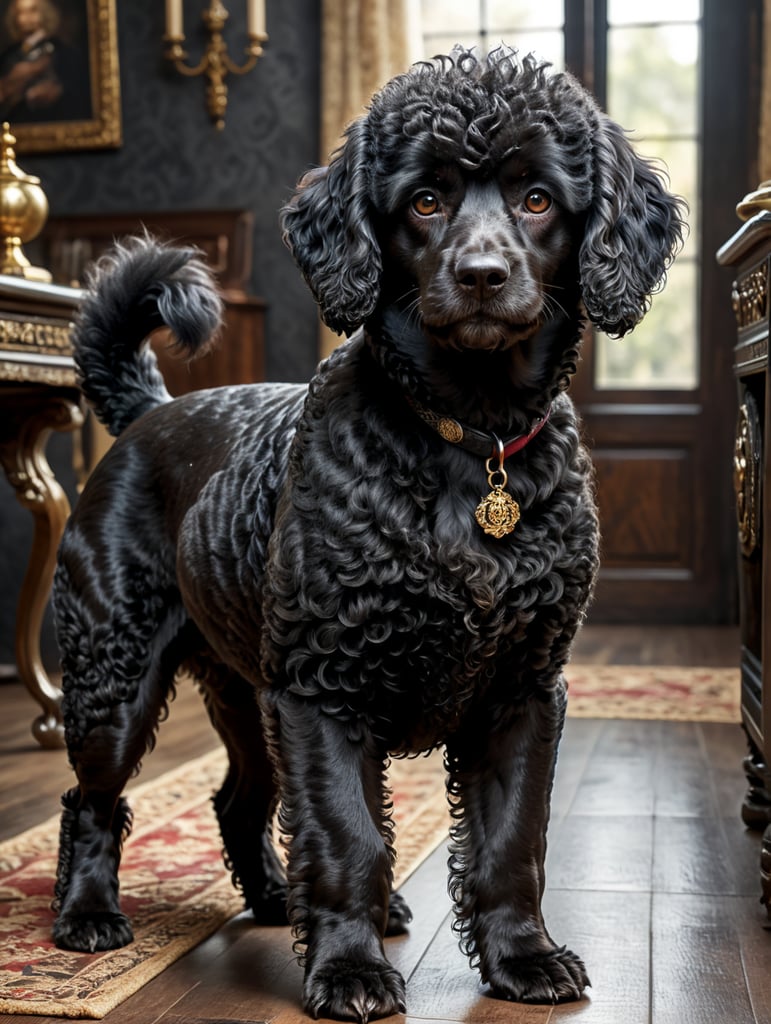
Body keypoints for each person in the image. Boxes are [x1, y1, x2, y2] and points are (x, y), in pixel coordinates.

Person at [0, 0, 90, 123]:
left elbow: (74, 90)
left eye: (32, 11)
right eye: (21, 12)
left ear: (44, 13)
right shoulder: (9, 54)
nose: (26, 17)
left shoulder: (60, 49)